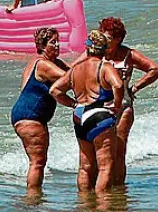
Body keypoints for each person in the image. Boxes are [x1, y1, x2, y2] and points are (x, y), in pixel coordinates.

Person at [50, 30, 125, 193]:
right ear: (104, 49)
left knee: (85, 166)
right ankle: (102, 202)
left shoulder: (75, 70)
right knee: (105, 166)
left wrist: (73, 104)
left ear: (87, 48)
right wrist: (116, 106)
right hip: (100, 114)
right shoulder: (104, 67)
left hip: (79, 114)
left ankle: (84, 201)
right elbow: (118, 85)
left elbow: (55, 90)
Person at [100, 17, 158, 186]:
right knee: (103, 151)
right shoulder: (97, 52)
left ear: (118, 38)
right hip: (100, 107)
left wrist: (134, 87)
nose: (105, 40)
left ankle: (119, 189)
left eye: (108, 37)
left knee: (119, 150)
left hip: (123, 106)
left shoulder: (129, 54)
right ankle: (103, 185)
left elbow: (155, 69)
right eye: (103, 35)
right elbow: (75, 69)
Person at [11, 27, 69, 197]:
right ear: (42, 46)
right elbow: (71, 78)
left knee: (38, 161)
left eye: (58, 41)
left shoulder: (51, 62)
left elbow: (76, 69)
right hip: (29, 116)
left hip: (27, 115)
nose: (57, 45)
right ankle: (32, 199)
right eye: (53, 42)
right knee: (37, 162)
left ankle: (34, 198)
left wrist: (89, 56)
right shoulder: (43, 64)